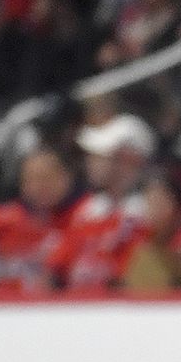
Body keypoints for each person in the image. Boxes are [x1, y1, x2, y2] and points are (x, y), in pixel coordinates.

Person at [0, 141, 78, 298]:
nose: (39, 186)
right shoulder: (1, 219)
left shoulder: (82, 218)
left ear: (66, 177)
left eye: (46, 178)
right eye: (31, 179)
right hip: (1, 309)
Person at [57, 113, 158, 292]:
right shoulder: (84, 210)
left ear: (129, 160)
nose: (90, 163)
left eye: (100, 156)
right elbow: (59, 268)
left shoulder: (149, 214)